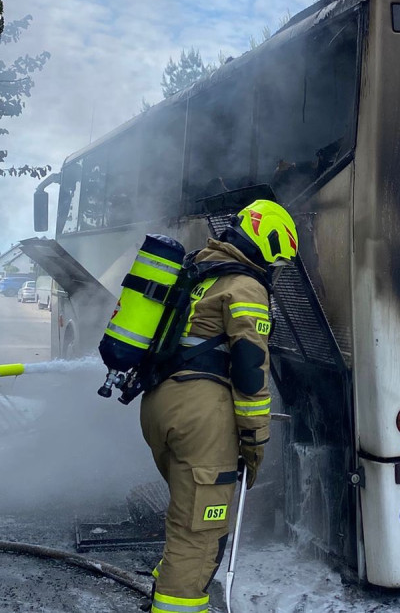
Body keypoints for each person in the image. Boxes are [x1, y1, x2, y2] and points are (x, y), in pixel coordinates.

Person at [140, 199, 298, 613]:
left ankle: (165, 591)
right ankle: (176, 605)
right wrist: (255, 443)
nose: (276, 272)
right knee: (201, 531)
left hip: (160, 404)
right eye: (277, 262)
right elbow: (249, 372)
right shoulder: (246, 286)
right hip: (200, 416)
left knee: (186, 517)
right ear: (268, 246)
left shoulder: (200, 273)